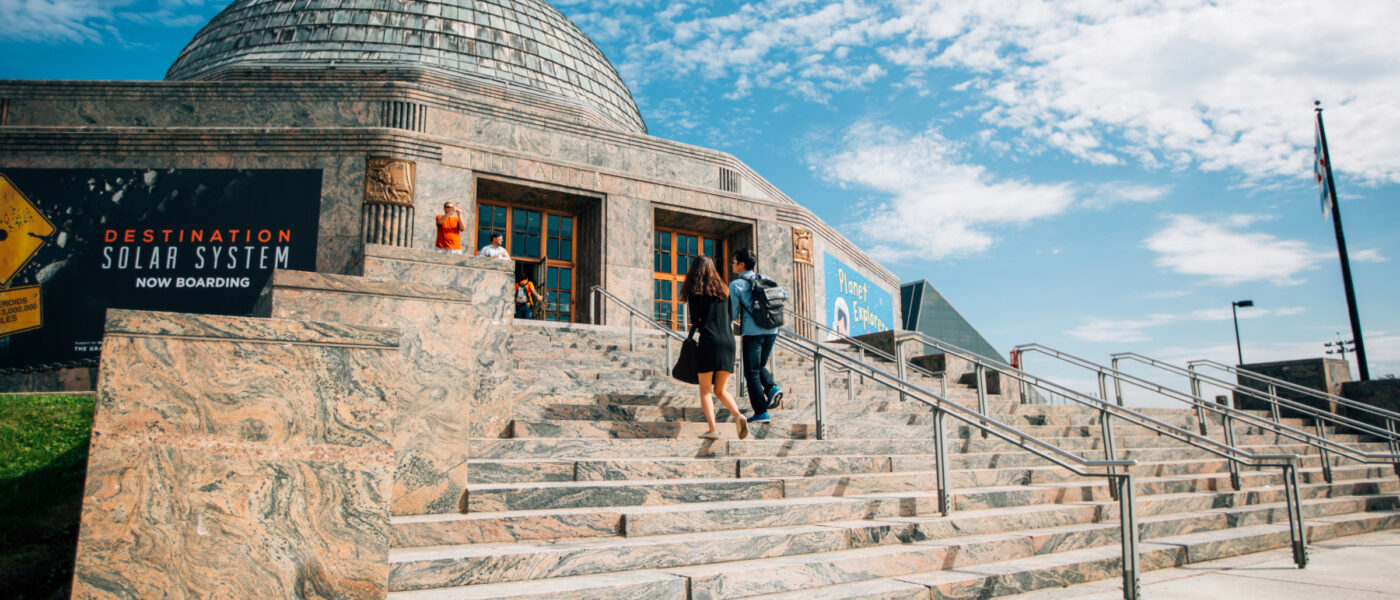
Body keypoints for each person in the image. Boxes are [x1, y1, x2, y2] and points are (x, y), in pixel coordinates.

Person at [681, 256, 748, 441]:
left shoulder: (696, 291)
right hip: (729, 342)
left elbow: (695, 321)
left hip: (709, 341)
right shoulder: (724, 291)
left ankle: (712, 430)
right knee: (721, 390)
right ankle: (738, 415)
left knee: (705, 391)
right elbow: (730, 316)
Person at [730, 248, 784, 424]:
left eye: (734, 261)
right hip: (772, 330)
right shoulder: (766, 279)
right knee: (759, 365)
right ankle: (771, 387)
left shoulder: (736, 285)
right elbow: (785, 295)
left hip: (752, 332)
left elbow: (732, 313)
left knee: (751, 372)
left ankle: (761, 412)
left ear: (742, 264)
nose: (732, 264)